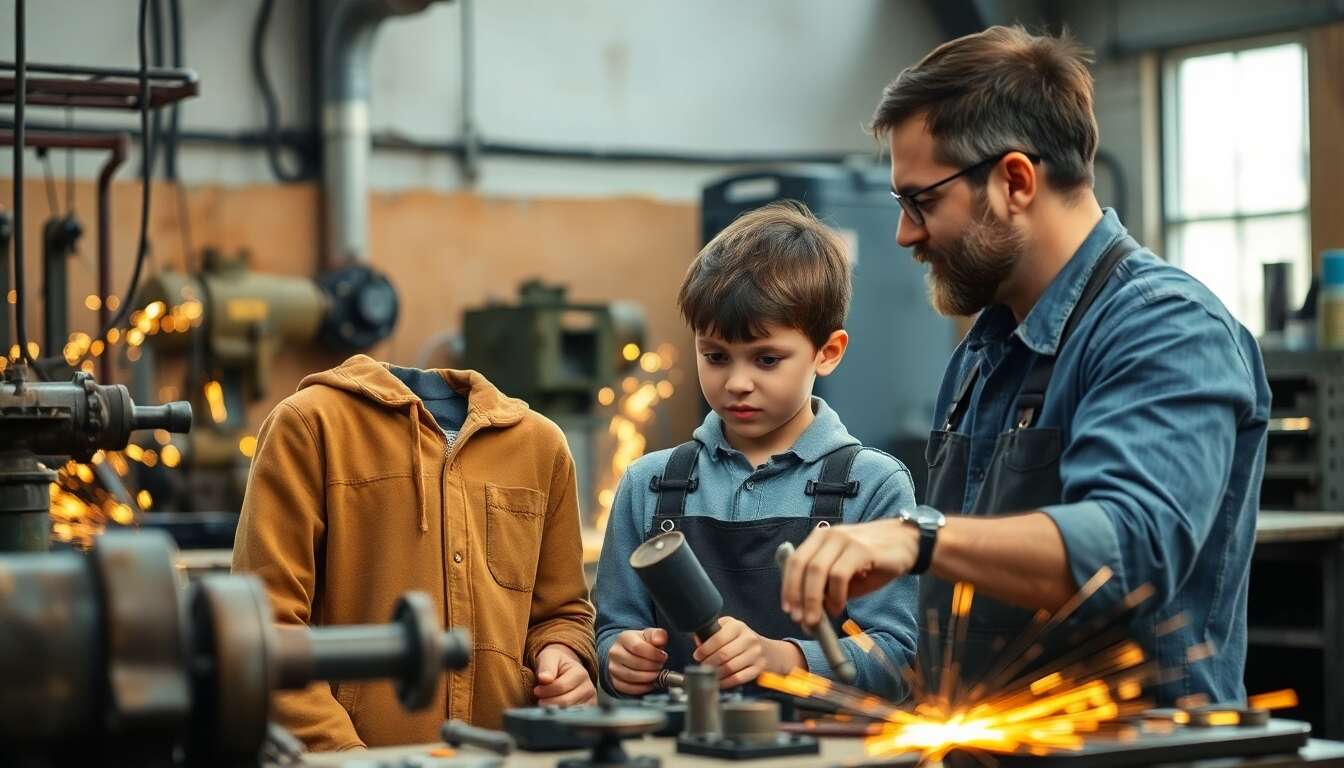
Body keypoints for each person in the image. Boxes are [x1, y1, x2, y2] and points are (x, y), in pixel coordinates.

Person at [781, 26, 1270, 705]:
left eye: (921, 202)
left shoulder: (1165, 328)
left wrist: (916, 537)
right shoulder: (984, 353)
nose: (905, 234)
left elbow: (1127, 548)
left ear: (1014, 180)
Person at [593, 201, 920, 699]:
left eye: (767, 359)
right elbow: (611, 631)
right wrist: (620, 659)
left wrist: (785, 660)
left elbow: (896, 661)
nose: (738, 383)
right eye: (716, 356)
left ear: (827, 352)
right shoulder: (649, 486)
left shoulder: (873, 486)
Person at [233, 355, 597, 751]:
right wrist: (347, 757)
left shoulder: (541, 445)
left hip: (508, 756)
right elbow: (264, 629)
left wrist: (563, 656)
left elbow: (562, 613)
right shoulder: (309, 424)